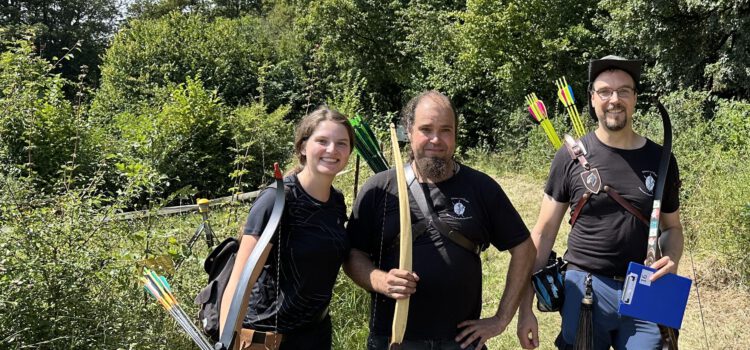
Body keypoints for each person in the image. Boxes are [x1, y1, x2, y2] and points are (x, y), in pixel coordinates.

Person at [345, 90, 536, 350]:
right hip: (394, 340)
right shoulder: (380, 188)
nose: (436, 139)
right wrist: (379, 279)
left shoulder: (482, 188)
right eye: (426, 129)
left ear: (456, 134)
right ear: (409, 132)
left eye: (446, 130)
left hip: (461, 342)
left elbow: (524, 248)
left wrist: (500, 320)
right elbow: (353, 253)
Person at [516, 55, 684, 350]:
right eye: (605, 91)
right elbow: (542, 234)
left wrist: (671, 256)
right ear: (593, 99)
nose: (614, 99)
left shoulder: (661, 160)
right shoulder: (570, 156)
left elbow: (672, 228)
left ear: (634, 99)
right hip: (586, 286)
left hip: (647, 287)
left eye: (624, 91)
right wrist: (525, 308)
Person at [219, 107, 354, 350]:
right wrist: (228, 340)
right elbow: (241, 282)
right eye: (322, 141)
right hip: (268, 338)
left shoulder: (336, 202)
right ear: (303, 147)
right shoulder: (276, 200)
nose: (332, 150)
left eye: (341, 143)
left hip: (316, 334)